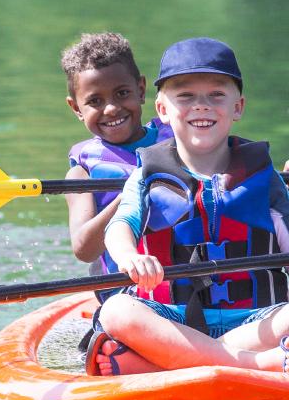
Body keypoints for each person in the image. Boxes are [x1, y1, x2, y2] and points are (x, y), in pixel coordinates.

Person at [85, 37, 289, 377]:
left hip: (257, 318)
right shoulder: (146, 175)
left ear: (238, 107)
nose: (202, 106)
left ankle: (160, 362)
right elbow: (119, 228)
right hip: (171, 317)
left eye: (216, 95)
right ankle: (259, 365)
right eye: (186, 96)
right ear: (163, 109)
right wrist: (129, 257)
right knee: (117, 311)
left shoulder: (264, 178)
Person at [61, 33, 173, 286]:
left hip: (188, 281)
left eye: (122, 93)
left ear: (141, 89)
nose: (111, 108)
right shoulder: (82, 174)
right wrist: (132, 193)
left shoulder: (180, 140)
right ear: (76, 108)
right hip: (127, 291)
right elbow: (84, 249)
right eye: (95, 101)